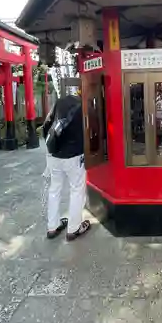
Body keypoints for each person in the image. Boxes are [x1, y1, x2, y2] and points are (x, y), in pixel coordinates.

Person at [42, 93, 90, 241]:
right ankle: (73, 228)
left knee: (54, 190)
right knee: (76, 190)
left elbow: (46, 126)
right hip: (74, 156)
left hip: (54, 155)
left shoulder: (59, 103)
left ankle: (53, 227)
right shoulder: (82, 107)